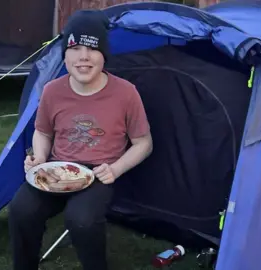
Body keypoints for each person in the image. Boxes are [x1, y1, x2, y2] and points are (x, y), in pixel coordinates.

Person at [8, 9, 153, 270]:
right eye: (75, 48)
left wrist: (115, 169)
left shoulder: (126, 93)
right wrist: (40, 157)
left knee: (81, 219)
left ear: (104, 55)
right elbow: (43, 132)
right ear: (64, 54)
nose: (83, 57)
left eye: (92, 48)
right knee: (21, 209)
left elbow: (144, 142)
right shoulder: (52, 90)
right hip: (57, 170)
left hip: (99, 173)